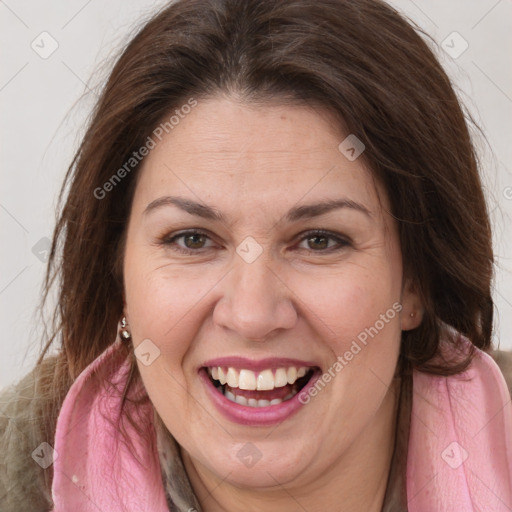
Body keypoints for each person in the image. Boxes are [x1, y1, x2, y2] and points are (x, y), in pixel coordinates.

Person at [1, 0, 511, 510]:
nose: (252, 316)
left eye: (319, 240)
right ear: (118, 277)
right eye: (192, 239)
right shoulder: (20, 458)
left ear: (415, 281)